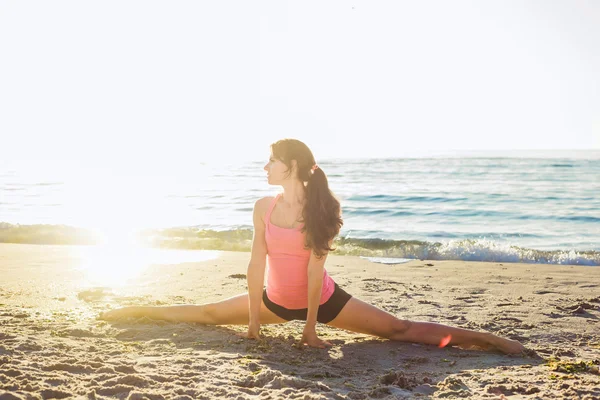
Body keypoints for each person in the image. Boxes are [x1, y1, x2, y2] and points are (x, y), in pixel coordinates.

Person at [100, 138, 525, 354]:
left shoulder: (324, 208)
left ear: (294, 165)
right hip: (273, 301)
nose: (265, 166)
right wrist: (252, 321)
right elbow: (255, 265)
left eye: (271, 160)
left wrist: (309, 328)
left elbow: (314, 271)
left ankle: (485, 338)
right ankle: (138, 309)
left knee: (398, 330)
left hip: (321, 301)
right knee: (209, 313)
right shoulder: (263, 207)